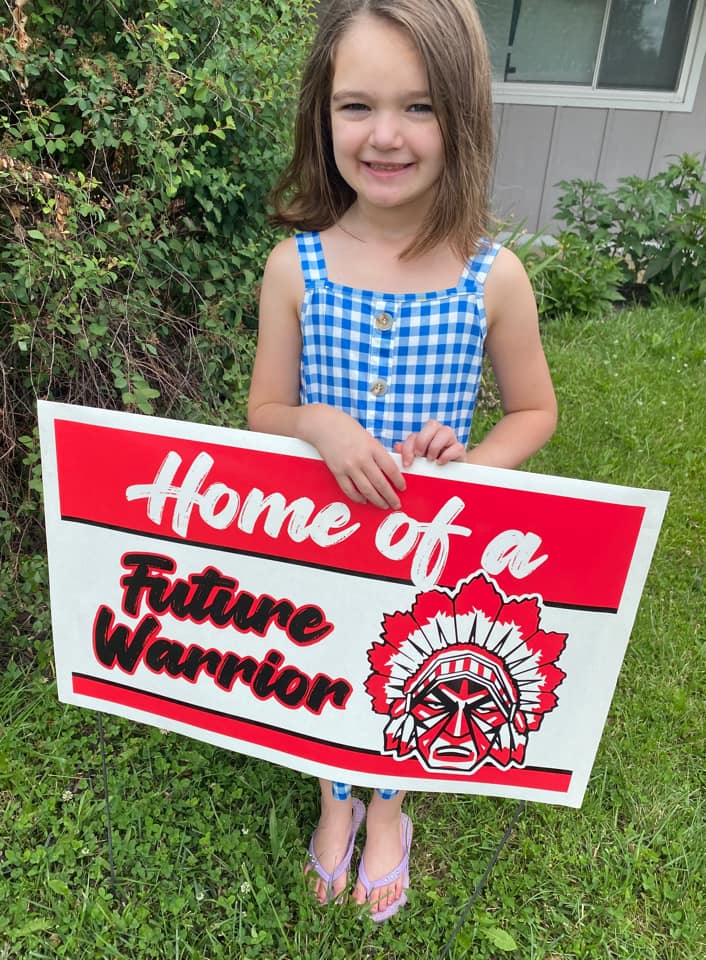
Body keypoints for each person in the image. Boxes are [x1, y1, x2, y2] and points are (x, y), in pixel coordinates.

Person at [247, 0, 557, 921]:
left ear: (462, 115)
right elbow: (264, 410)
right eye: (357, 105)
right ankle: (332, 797)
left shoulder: (490, 274)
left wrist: (475, 471)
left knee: (405, 676)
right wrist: (317, 426)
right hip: (322, 533)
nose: (385, 135)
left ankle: (389, 809)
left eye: (419, 107)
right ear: (321, 113)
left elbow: (534, 410)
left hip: (430, 546)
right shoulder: (293, 269)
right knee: (327, 659)